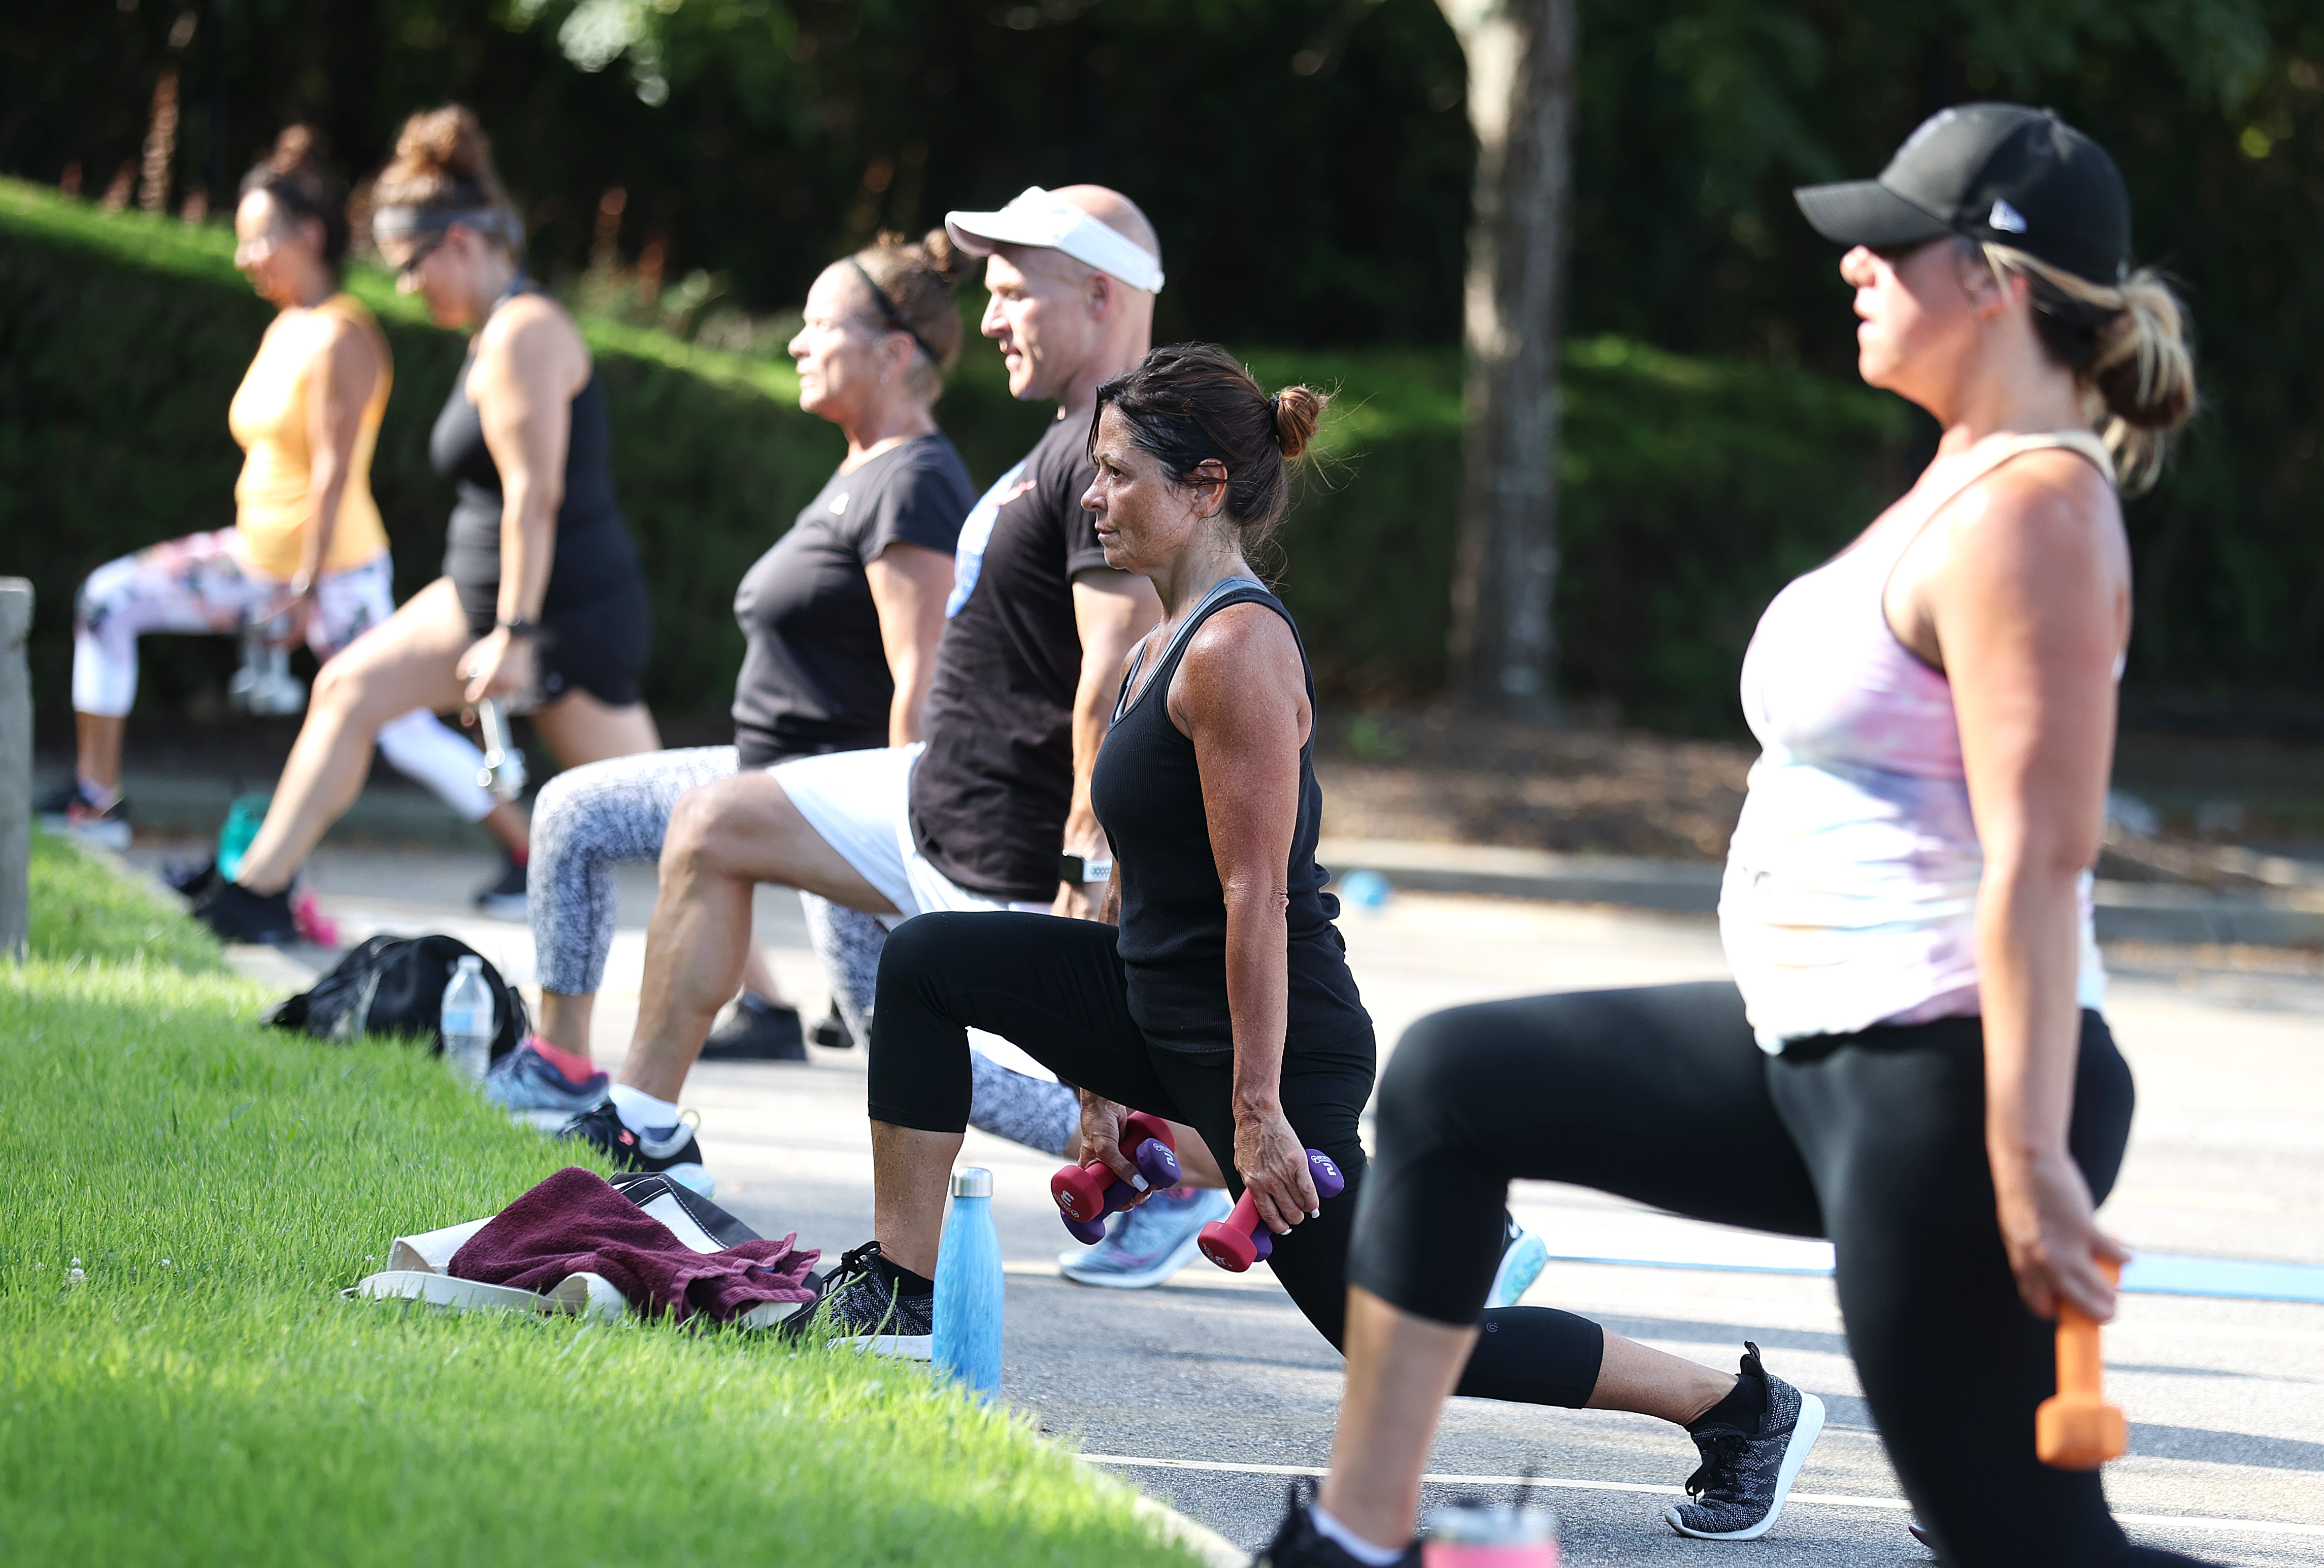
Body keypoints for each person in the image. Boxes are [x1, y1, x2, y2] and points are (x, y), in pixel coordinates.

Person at [1270, 105, 2207, 1568]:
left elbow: (2042, 858)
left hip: (1949, 1074)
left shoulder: (2037, 510)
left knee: (2023, 1544)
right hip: (1814, 1047)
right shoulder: (1957, 479)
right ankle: (1358, 1535)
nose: (1853, 266)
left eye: (1890, 243)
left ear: (1998, 281)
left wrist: (2026, 1167)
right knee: (1454, 1085)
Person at [825, 347, 1815, 1521]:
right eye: (1093, 474)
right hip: (1159, 1008)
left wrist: (1254, 1116)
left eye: (1117, 475)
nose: (1093, 500)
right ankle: (898, 1288)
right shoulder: (1157, 642)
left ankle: (1735, 1406)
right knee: (932, 961)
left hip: (1280, 1046)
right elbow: (1140, 880)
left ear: (1204, 486)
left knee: (1393, 1333)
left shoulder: (1239, 647)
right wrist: (1095, 1085)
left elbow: (1256, 898)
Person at [556, 186, 1251, 1277]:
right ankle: (642, 1126)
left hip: (1008, 834)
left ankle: (1372, 1194)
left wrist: (1090, 850)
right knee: (713, 823)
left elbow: (1117, 661)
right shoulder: (1068, 437)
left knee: (1100, 1099)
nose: (988, 320)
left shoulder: (1114, 450)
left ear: (1102, 294)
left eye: (1016, 294)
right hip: (927, 790)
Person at [509, 231, 1069, 1149]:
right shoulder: (865, 465)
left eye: (818, 327)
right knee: (573, 814)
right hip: (767, 775)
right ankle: (569, 1079)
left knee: (903, 1045)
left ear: (894, 354)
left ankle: (1145, 1161)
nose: (796, 346)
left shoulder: (916, 482)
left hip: (831, 794)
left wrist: (910, 832)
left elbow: (921, 675)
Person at [193, 106, 660, 944]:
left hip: (564, 613)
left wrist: (516, 633)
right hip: (478, 598)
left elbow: (533, 497)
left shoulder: (524, 333)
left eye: (412, 265)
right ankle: (255, 891)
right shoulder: (491, 334)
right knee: (347, 689)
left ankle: (766, 1001)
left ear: (461, 243)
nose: (408, 286)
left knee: (671, 827)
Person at [44, 127, 522, 881]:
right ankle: (96, 801)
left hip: (328, 570)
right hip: (252, 554)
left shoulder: (344, 337)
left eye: (259, 239)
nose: (246, 258)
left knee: (397, 728)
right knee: (108, 600)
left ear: (308, 236)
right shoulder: (285, 326)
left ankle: (522, 845)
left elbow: (333, 470)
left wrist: (301, 588)